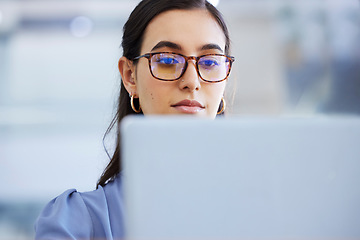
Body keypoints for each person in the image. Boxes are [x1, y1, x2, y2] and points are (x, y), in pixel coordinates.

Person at [34, 0, 234, 239]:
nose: (192, 81)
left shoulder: (256, 208)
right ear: (130, 76)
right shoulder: (77, 223)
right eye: (168, 60)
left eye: (210, 62)